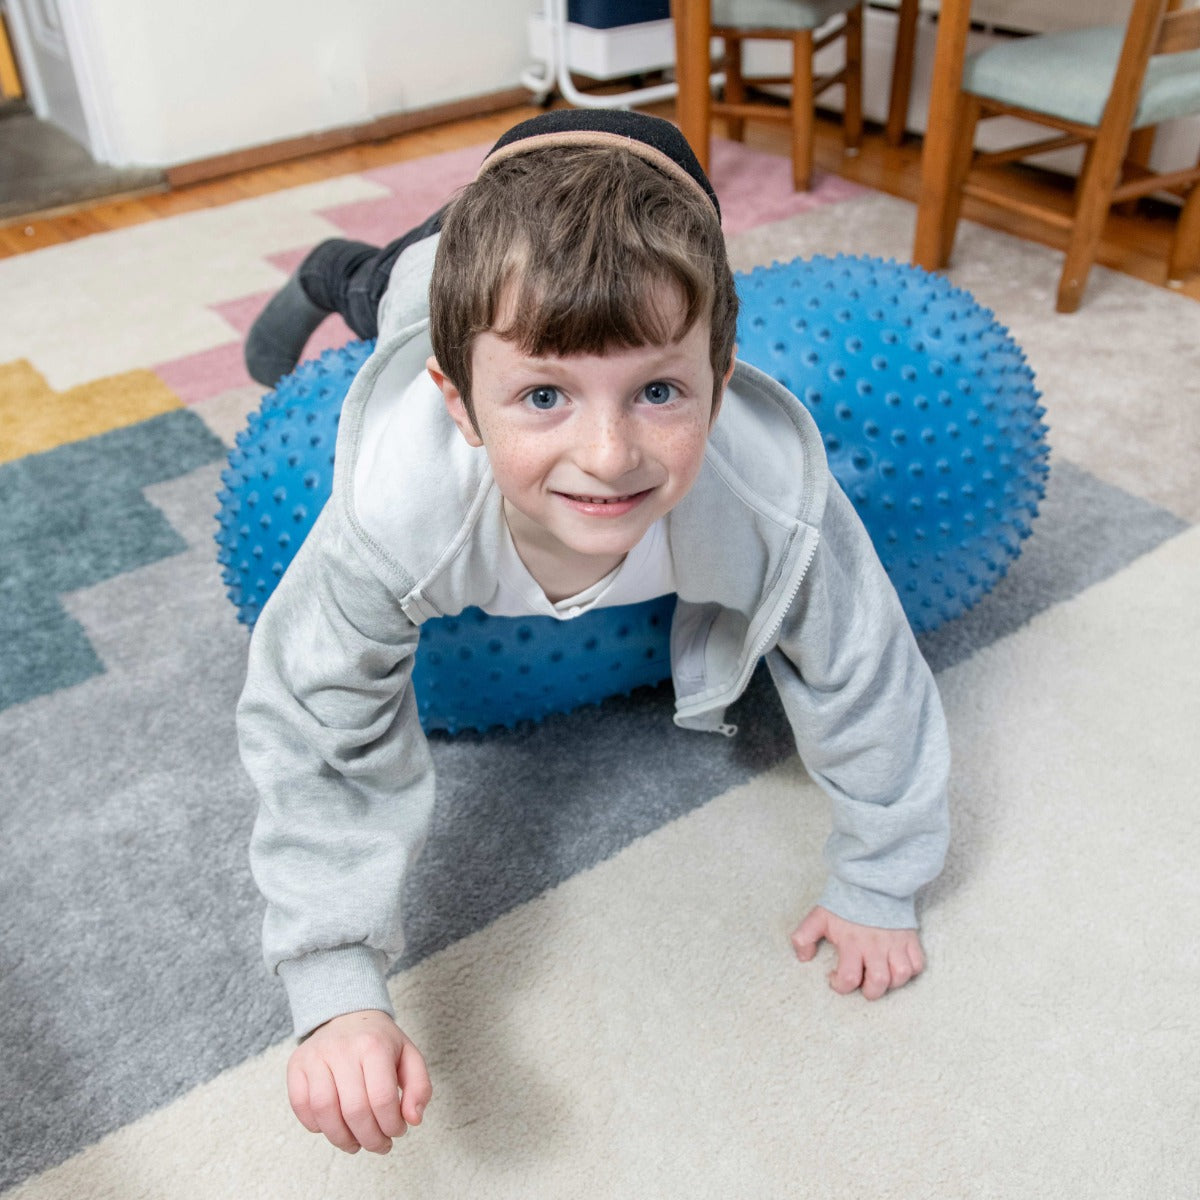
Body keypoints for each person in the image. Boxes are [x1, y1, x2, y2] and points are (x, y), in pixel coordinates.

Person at [237, 109, 950, 1157]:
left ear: (720, 373)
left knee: (610, 317)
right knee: (390, 285)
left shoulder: (770, 495)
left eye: (659, 388)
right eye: (542, 396)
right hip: (434, 264)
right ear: (461, 409)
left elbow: (863, 666)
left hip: (645, 167)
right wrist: (334, 980)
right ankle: (329, 271)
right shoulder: (400, 505)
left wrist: (883, 876)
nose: (609, 456)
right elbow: (313, 724)